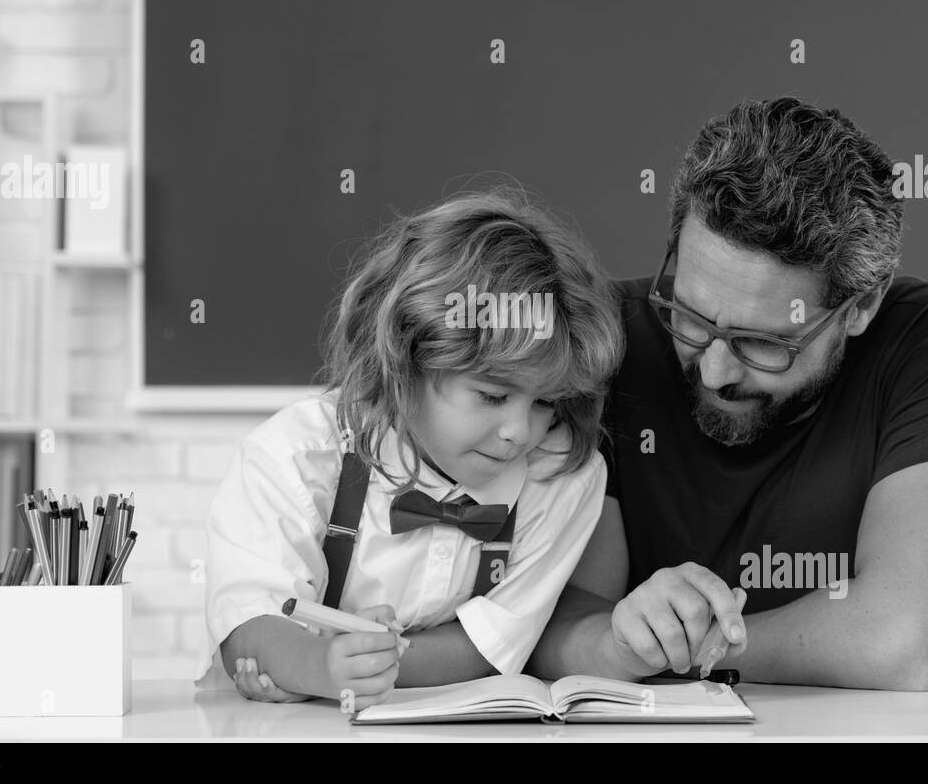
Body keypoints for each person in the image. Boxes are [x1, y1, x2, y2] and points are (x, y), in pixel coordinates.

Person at [530, 96, 928, 691]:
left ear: (861, 304)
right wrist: (614, 641)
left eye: (763, 342)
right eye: (688, 315)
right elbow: (540, 624)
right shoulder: (605, 335)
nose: (714, 371)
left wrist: (672, 650)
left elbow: (904, 644)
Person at [194, 190, 624, 709]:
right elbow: (247, 626)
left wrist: (360, 667)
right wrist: (318, 665)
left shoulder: (559, 475)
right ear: (406, 359)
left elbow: (488, 649)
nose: (519, 431)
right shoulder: (296, 455)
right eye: (492, 395)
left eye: (546, 402)